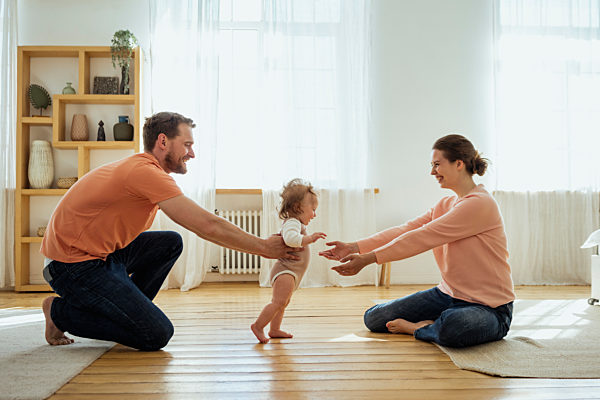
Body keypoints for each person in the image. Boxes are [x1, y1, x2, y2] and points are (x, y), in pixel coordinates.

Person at [40, 111, 299, 351]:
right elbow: (207, 225)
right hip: (71, 266)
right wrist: (264, 248)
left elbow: (201, 223)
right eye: (187, 145)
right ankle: (58, 312)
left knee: (169, 243)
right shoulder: (144, 173)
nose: (192, 154)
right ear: (163, 141)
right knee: (155, 334)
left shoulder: (147, 172)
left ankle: (126, 313)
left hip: (103, 256)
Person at [320, 134, 515, 348]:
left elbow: (422, 237)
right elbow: (406, 229)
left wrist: (367, 259)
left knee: (455, 325)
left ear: (458, 164)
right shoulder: (446, 204)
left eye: (437, 165)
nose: (432, 172)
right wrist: (354, 246)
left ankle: (417, 328)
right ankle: (435, 325)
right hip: (447, 294)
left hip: (490, 308)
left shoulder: (480, 204)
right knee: (374, 318)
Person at [251, 179, 326, 343]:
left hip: (291, 272)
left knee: (283, 303)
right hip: (285, 271)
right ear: (298, 208)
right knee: (278, 302)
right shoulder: (292, 223)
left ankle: (275, 329)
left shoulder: (296, 223)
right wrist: (310, 238)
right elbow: (291, 239)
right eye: (313, 210)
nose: (314, 214)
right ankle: (258, 326)